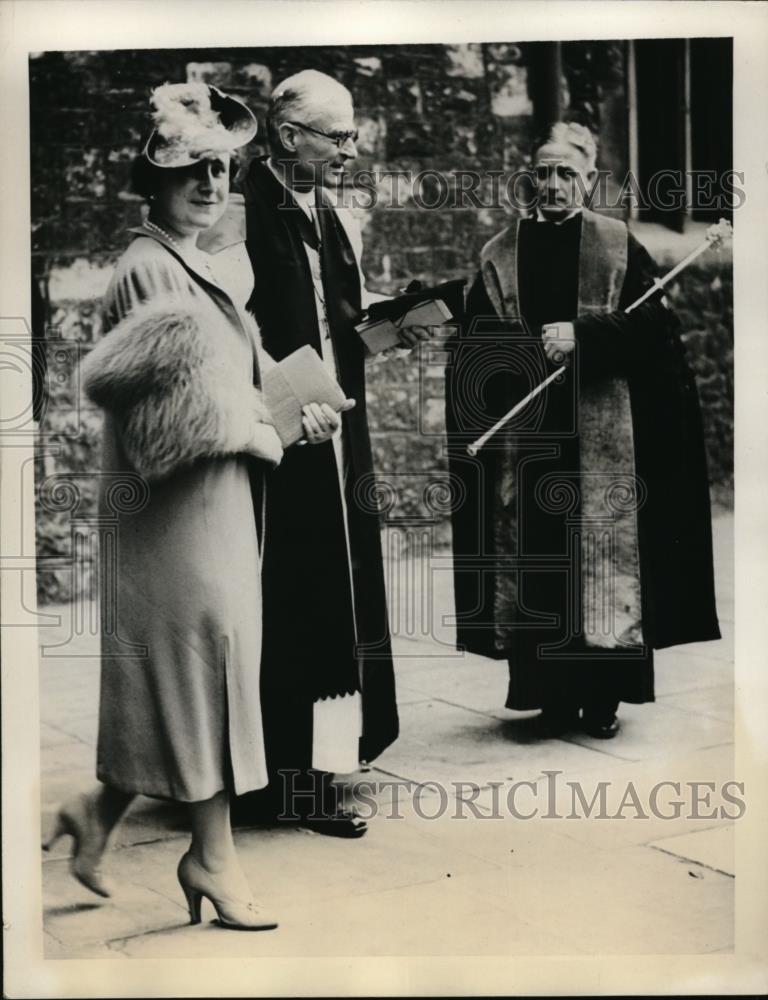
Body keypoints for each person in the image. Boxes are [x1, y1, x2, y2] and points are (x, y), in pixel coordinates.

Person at [43, 83, 283, 930]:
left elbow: (231, 380)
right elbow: (166, 423)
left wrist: (289, 404)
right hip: (174, 504)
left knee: (192, 664)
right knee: (205, 657)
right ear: (154, 179)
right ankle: (211, 858)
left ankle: (94, 813)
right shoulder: (149, 265)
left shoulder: (198, 262)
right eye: (191, 169)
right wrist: (257, 430)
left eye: (220, 168)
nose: (211, 183)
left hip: (207, 499)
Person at [445, 121, 720, 739]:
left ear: (590, 179)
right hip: (532, 439)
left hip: (604, 434)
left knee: (598, 561)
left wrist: (584, 335)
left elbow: (656, 332)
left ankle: (603, 700)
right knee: (541, 563)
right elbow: (476, 344)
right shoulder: (500, 252)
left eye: (566, 172)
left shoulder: (619, 245)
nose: (552, 183)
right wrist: (508, 353)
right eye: (543, 171)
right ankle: (549, 697)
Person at [227, 70, 429, 836]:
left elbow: (339, 317)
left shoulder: (324, 210)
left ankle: (337, 757)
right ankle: (285, 779)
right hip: (281, 442)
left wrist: (393, 321)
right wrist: (281, 405)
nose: (352, 149)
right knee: (296, 598)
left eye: (351, 135)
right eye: (338, 136)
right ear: (287, 137)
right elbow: (229, 330)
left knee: (344, 596)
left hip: (339, 436)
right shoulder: (245, 212)